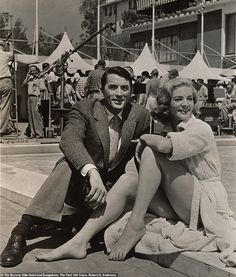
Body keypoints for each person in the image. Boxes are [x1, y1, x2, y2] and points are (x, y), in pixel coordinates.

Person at [0, 66, 150, 267]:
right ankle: (21, 231)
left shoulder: (140, 115)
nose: (119, 94)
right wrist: (92, 171)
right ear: (102, 90)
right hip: (82, 183)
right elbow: (70, 140)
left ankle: (65, 225)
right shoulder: (85, 108)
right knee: (66, 164)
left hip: (110, 191)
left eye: (125, 88)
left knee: (101, 234)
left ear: (131, 90)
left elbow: (145, 154)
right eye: (113, 87)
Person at [107, 77, 236, 263]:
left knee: (152, 151)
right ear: (167, 103)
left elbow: (167, 147)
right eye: (178, 99)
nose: (185, 104)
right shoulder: (167, 129)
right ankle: (80, 240)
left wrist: (144, 137)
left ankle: (134, 225)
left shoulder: (201, 128)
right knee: (127, 182)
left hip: (206, 205)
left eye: (189, 99)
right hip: (179, 201)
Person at [22, 65, 44, 138]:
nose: (32, 72)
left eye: (33, 70)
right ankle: (33, 133)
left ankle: (39, 133)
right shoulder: (30, 78)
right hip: (29, 97)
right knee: (30, 116)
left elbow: (42, 91)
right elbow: (23, 85)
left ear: (37, 70)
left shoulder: (40, 79)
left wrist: (40, 100)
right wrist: (27, 76)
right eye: (31, 71)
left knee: (37, 116)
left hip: (36, 97)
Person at [0, 40, 13, 136]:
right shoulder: (5, 55)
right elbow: (12, 54)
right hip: (5, 80)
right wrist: (10, 45)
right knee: (5, 106)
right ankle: (1, 129)